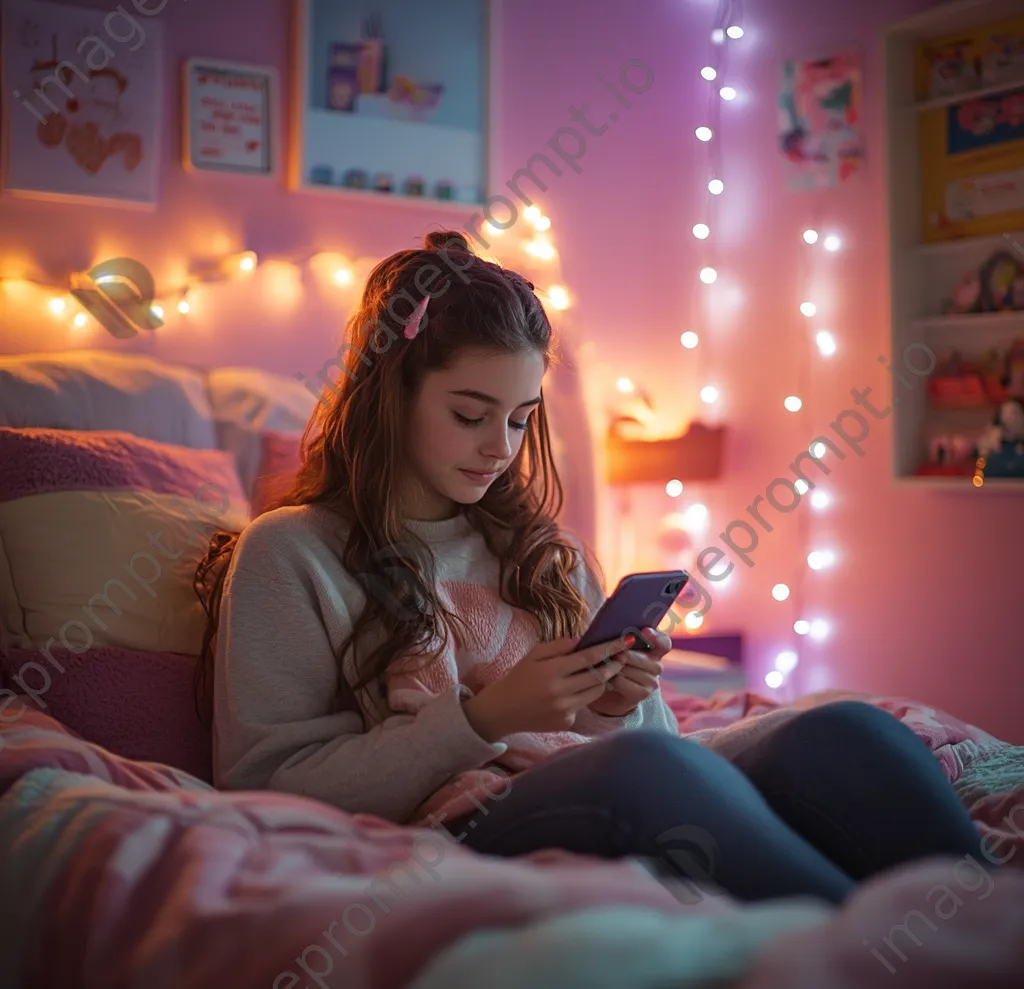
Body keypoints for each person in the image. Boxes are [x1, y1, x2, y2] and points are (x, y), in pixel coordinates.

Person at [195, 230, 985, 905]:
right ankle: (892, 963)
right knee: (642, 775)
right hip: (465, 817)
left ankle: (987, 938)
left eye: (518, 418)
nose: (499, 448)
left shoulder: (548, 554)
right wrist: (483, 720)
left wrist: (616, 703)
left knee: (845, 728)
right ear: (390, 397)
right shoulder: (292, 552)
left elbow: (656, 742)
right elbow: (268, 784)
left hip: (607, 767)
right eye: (469, 415)